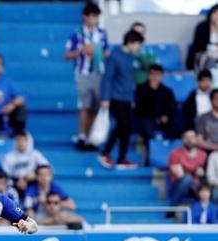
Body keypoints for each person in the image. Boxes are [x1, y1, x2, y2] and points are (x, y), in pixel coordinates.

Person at [64, 2, 108, 151]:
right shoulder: (77, 34)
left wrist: (99, 52)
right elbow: (67, 55)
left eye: (96, 16)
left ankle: (91, 136)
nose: (93, 19)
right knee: (84, 106)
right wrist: (80, 50)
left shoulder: (102, 33)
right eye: (91, 16)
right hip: (83, 73)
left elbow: (107, 52)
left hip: (99, 73)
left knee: (95, 107)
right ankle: (82, 135)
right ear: (85, 17)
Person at [98, 30, 144, 169]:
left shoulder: (131, 57)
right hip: (116, 97)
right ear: (130, 43)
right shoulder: (114, 56)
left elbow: (130, 79)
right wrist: (105, 97)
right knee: (122, 125)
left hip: (127, 97)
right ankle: (105, 152)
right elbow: (107, 78)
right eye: (137, 44)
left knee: (127, 127)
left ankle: (121, 158)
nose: (138, 48)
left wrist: (132, 98)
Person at [135, 64, 179, 166]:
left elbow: (173, 109)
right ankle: (152, 158)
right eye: (152, 74)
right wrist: (157, 117)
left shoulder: (167, 91)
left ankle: (170, 157)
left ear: (162, 76)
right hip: (146, 119)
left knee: (176, 127)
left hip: (164, 120)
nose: (155, 77)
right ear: (148, 75)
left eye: (158, 74)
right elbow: (139, 109)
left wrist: (166, 116)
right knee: (148, 130)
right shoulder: (141, 89)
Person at [1, 130, 49, 195]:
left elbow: (47, 167)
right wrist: (16, 182)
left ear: (28, 141)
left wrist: (36, 173)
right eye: (18, 140)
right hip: (14, 185)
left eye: (23, 140)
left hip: (32, 183)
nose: (21, 143)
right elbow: (5, 175)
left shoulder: (35, 154)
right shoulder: (8, 157)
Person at [168, 130, 207, 209]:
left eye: (192, 137)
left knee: (206, 185)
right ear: (182, 139)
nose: (189, 140)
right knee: (187, 178)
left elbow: (202, 173)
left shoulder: (203, 154)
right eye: (186, 137)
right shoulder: (175, 153)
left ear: (196, 139)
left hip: (196, 187)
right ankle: (171, 209)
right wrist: (195, 170)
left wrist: (200, 173)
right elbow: (180, 175)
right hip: (179, 186)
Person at [186, 4, 218, 70]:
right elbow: (200, 44)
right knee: (210, 59)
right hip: (203, 53)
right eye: (215, 13)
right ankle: (208, 78)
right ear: (211, 14)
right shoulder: (202, 27)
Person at [130, 22, 157, 86]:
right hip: (127, 87)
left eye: (141, 33)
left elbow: (152, 68)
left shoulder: (149, 51)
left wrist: (139, 54)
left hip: (143, 86)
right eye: (136, 33)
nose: (139, 35)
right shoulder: (124, 50)